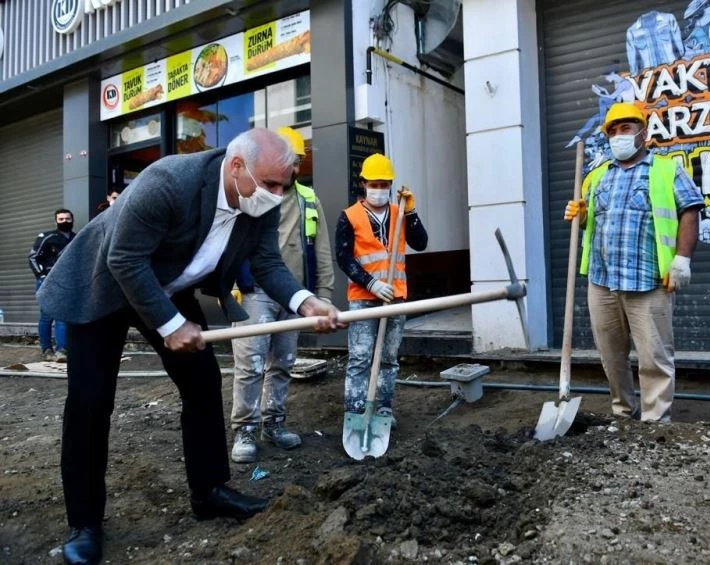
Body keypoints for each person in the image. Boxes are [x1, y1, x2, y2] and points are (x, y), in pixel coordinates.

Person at [36, 128, 344, 565]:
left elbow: (267, 262)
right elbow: (123, 259)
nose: (277, 195)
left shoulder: (262, 198)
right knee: (90, 402)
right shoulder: (167, 181)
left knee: (202, 382)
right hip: (101, 288)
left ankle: (210, 490)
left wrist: (306, 301)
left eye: (284, 185)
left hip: (165, 283)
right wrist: (170, 323)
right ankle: (84, 523)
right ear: (236, 167)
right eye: (271, 184)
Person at [564, 102, 704, 424]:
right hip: (602, 283)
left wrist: (682, 260)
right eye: (612, 131)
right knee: (611, 357)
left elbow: (690, 211)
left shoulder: (667, 170)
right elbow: (593, 224)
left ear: (643, 133)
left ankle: (655, 424)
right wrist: (583, 217)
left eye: (625, 129)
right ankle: (622, 414)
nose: (618, 136)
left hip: (648, 282)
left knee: (654, 357)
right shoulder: (596, 176)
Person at [230, 126, 335, 463]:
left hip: (296, 295)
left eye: (297, 162)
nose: (292, 169)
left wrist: (324, 295)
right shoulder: (251, 193)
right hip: (255, 292)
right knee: (250, 364)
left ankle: (274, 422)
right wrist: (231, 287)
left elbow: (321, 250)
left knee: (283, 364)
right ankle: (245, 427)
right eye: (289, 161)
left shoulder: (308, 199)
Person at [334, 153, 428, 426]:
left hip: (395, 297)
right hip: (364, 299)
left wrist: (411, 212)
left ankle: (384, 408)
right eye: (373, 184)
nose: (379, 189)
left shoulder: (399, 213)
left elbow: (421, 243)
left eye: (384, 184)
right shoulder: (349, 216)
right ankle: (355, 411)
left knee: (388, 358)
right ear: (363, 184)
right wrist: (371, 283)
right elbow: (344, 258)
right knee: (360, 358)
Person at [27, 209, 76, 362]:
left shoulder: (77, 238)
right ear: (55, 221)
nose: (65, 221)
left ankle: (62, 350)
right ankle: (46, 349)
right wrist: (41, 276)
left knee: (63, 316)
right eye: (61, 219)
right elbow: (33, 257)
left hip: (68, 282)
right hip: (48, 281)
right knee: (47, 316)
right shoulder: (47, 237)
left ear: (72, 220)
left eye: (67, 218)